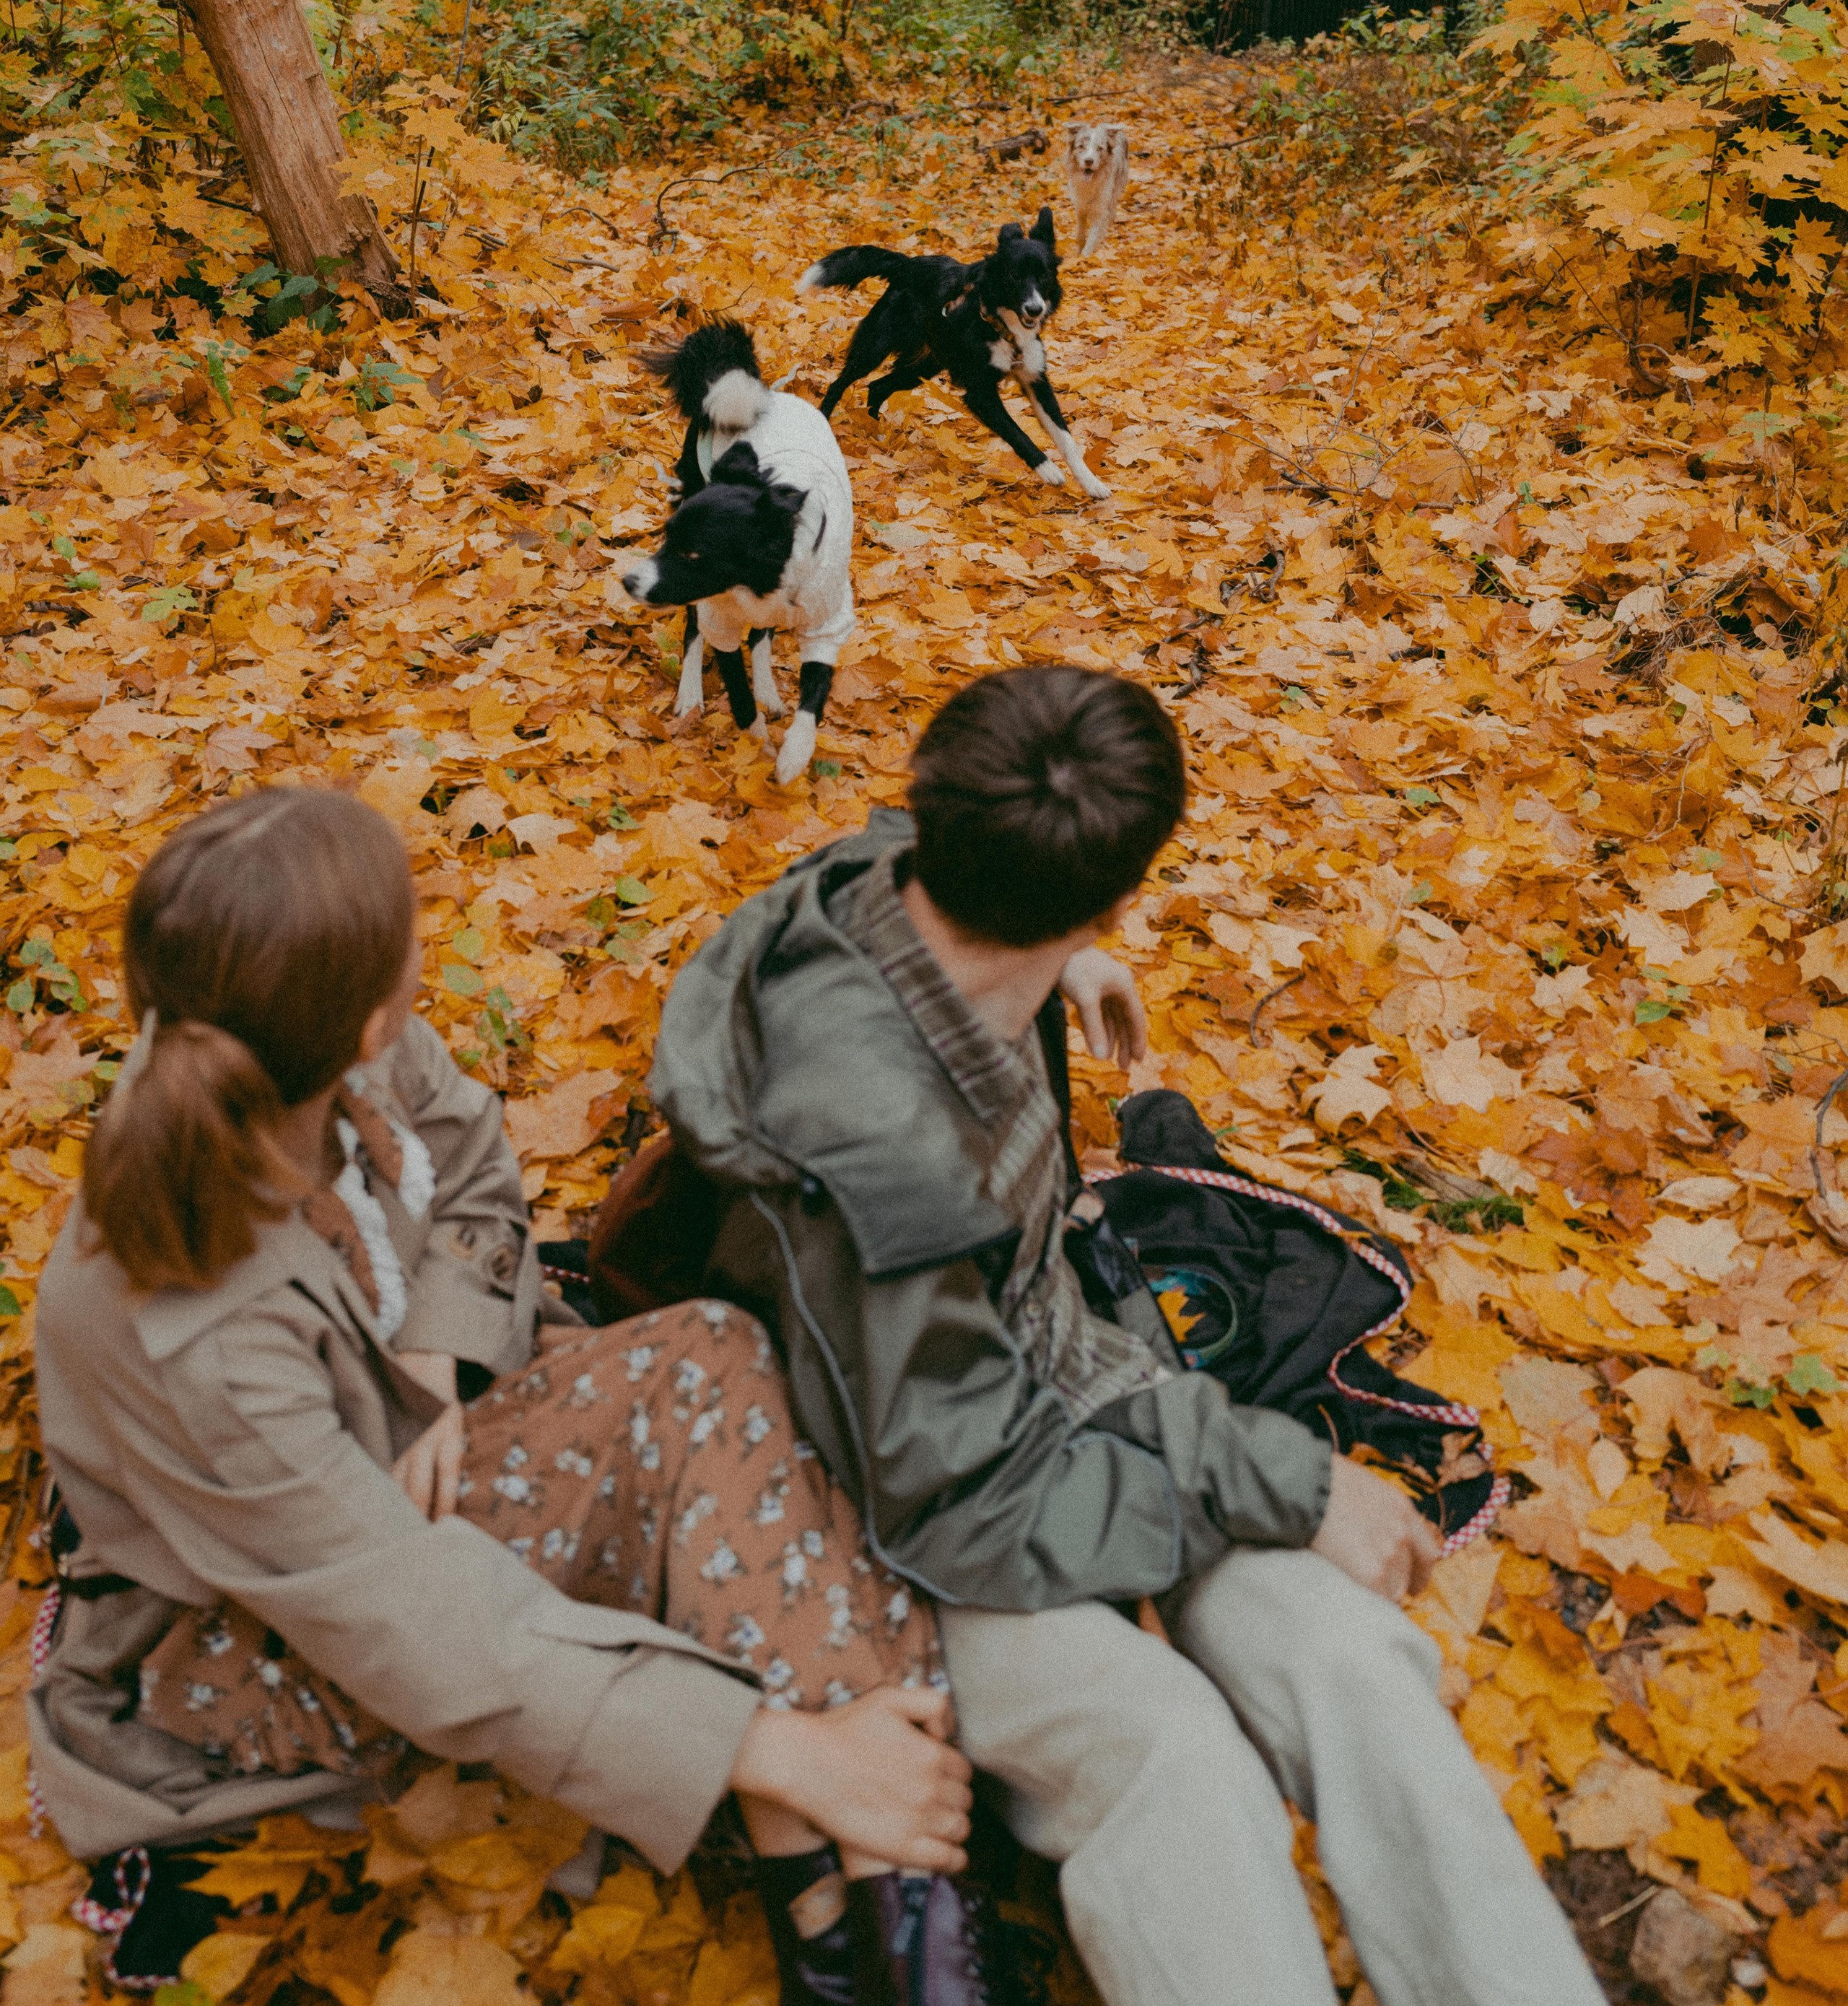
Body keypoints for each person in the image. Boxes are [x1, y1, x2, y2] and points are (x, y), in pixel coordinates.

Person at [648, 666, 1608, 2006]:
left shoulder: (886, 882)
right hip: (893, 1520)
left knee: (1349, 1659)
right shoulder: (891, 1160)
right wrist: (1287, 1480)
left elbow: (895, 854)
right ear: (1117, 891)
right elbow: (953, 1500)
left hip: (1060, 1398)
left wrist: (1054, 962)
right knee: (1169, 1754)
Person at [30, 788, 993, 2006]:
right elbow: (412, 1623)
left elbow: (475, 1162)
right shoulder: (188, 1322)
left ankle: (861, 1888)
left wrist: (432, 1351)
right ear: (373, 1009)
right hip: (257, 1633)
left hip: (409, 1469)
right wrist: (787, 1751)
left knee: (711, 1354)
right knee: (707, 1387)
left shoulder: (320, 1050)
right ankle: (884, 1886)